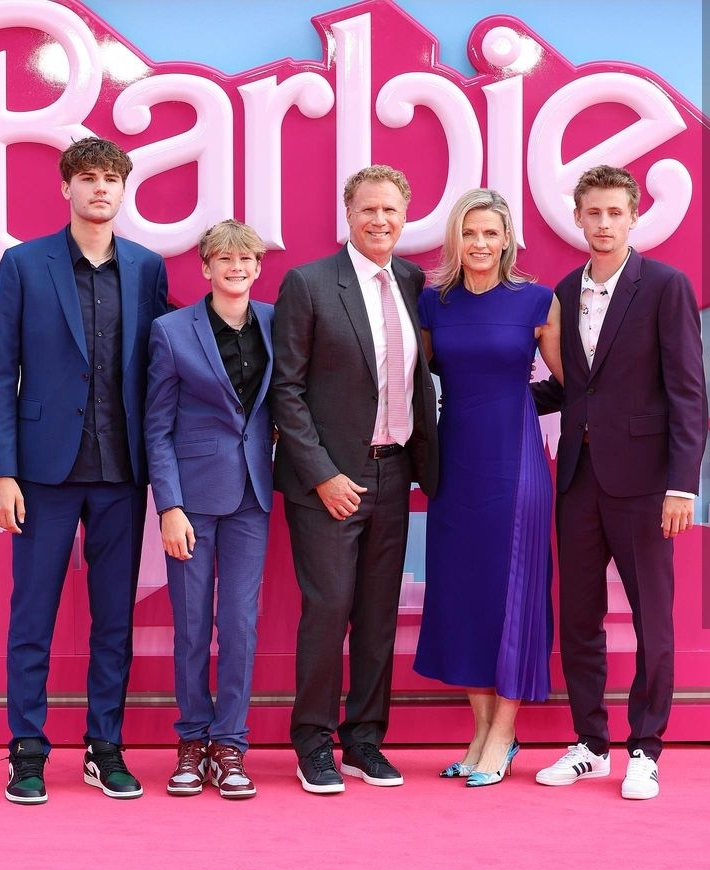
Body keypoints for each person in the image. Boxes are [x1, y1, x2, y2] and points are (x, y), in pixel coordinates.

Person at [0, 137, 168, 804]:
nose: (101, 188)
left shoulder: (147, 269)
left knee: (112, 621)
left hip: (122, 470)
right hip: (41, 472)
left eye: (111, 179)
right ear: (66, 188)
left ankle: (105, 746)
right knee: (31, 615)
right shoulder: (22, 265)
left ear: (124, 191)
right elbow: (1, 372)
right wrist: (3, 470)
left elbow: (161, 373)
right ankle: (28, 751)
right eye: (89, 178)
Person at [532, 164, 707, 799]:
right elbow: (573, 387)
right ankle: (589, 744)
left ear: (634, 218)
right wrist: (495, 394)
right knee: (578, 618)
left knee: (652, 620)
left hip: (645, 485)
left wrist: (682, 487)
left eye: (615, 214)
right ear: (577, 217)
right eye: (593, 213)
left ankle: (646, 748)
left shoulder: (664, 286)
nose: (603, 224)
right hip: (577, 479)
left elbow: (689, 394)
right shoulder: (560, 289)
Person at [270, 164, 439, 794]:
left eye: (391, 210)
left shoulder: (415, 282)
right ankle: (313, 742)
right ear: (349, 213)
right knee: (329, 609)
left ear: (405, 214)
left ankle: (365, 740)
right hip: (329, 484)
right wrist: (323, 476)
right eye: (369, 209)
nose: (380, 221)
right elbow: (285, 391)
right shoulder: (309, 284)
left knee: (377, 615)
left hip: (395, 475)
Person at [412, 188, 563, 787]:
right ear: (456, 238)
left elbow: (570, 381)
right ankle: (478, 731)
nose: (479, 244)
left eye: (490, 234)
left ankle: (504, 732)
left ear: (507, 242)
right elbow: (420, 385)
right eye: (469, 233)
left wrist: (517, 404)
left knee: (512, 590)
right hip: (456, 465)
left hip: (515, 462)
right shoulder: (434, 304)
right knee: (465, 591)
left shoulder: (536, 301)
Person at [144, 220, 274, 799]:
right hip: (192, 501)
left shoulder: (275, 321)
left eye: (246, 259)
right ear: (205, 268)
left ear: (257, 266)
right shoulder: (171, 332)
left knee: (241, 624)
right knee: (193, 624)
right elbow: (157, 427)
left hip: (254, 495)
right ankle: (192, 741)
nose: (236, 268)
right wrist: (169, 506)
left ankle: (231, 744)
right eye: (225, 259)